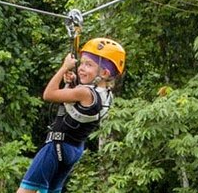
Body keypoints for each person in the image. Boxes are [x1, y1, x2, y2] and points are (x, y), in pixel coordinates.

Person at [17, 38, 126, 193]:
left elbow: (49, 94)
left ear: (104, 73)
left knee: (25, 190)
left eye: (88, 65)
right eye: (81, 63)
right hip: (73, 149)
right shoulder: (106, 95)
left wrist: (64, 68)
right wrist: (71, 83)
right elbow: (78, 109)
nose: (81, 68)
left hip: (56, 147)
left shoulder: (84, 92)